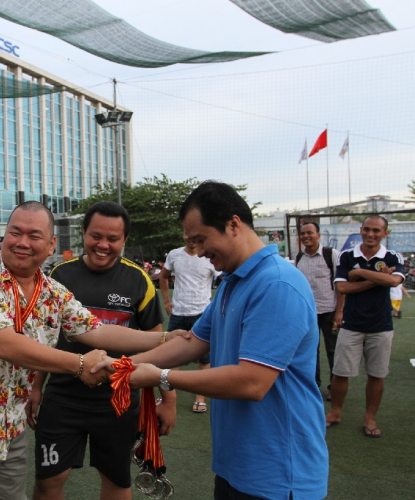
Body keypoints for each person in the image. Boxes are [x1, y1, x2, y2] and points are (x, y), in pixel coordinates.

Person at [0, 201, 186, 500]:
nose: (22, 242)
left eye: (34, 236)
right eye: (15, 232)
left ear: (50, 245)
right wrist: (80, 363)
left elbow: (96, 329)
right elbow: (3, 343)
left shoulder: (51, 291)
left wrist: (166, 338)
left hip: (9, 429)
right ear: (4, 237)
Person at [94, 181, 328, 499]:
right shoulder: (234, 282)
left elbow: (251, 382)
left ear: (233, 224)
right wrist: (123, 365)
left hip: (278, 474)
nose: (200, 252)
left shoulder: (277, 284)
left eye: (201, 240)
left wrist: (161, 377)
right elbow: (192, 343)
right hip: (237, 466)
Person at [30, 201, 174, 500]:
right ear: (84, 233)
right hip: (63, 398)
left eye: (113, 239)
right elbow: (46, 338)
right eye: (96, 236)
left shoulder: (139, 280)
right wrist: (35, 388)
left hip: (118, 402)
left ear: (125, 240)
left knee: (117, 480)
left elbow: (158, 344)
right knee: (48, 481)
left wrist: (167, 400)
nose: (103, 245)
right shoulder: (60, 275)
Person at [325, 216, 405, 438]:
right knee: (340, 373)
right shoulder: (347, 255)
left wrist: (360, 274)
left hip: (381, 326)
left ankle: (370, 418)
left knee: (376, 375)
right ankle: (335, 413)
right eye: (367, 229)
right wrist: (378, 278)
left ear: (385, 234)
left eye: (376, 231)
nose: (371, 234)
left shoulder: (393, 256)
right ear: (360, 230)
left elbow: (394, 282)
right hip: (351, 325)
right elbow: (342, 288)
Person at [160, 228, 220, 413]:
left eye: (194, 235)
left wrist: (215, 307)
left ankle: (200, 398)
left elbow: (224, 280)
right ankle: (170, 397)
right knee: (172, 355)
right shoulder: (174, 255)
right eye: (187, 234)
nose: (191, 238)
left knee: (204, 358)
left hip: (202, 314)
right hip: (178, 313)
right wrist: (167, 301)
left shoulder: (208, 255)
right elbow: (163, 276)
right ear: (183, 235)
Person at [295, 221, 345, 397]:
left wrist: (339, 312)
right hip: (308, 313)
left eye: (310, 233)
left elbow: (341, 286)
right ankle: (314, 385)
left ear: (318, 235)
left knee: (333, 350)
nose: (306, 236)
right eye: (303, 234)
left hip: (329, 311)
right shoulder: (299, 258)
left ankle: (334, 387)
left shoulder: (331, 255)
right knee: (310, 351)